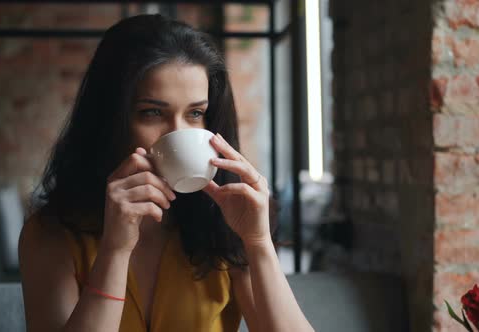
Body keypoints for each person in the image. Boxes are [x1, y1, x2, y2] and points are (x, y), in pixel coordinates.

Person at [19, 14, 314, 332]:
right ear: (108, 119)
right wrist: (115, 251)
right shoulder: (50, 234)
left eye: (195, 113)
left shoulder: (223, 226)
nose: (178, 134)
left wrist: (258, 243)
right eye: (152, 113)